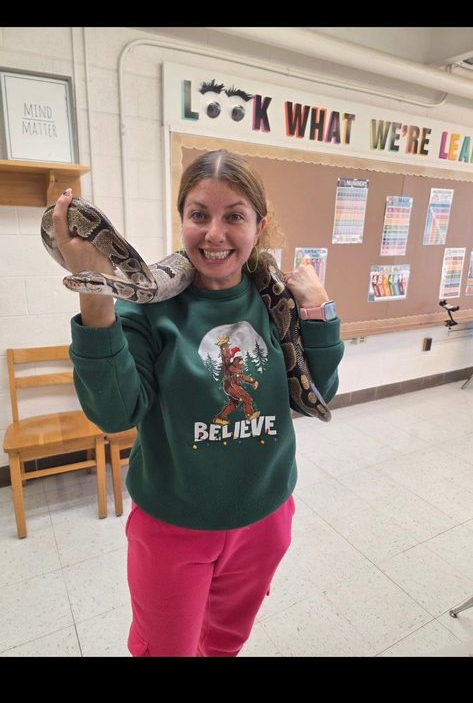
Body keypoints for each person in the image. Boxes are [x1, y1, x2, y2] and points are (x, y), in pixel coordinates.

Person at [52, 150, 344, 657]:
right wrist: (95, 294)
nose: (214, 233)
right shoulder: (147, 308)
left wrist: (320, 310)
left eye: (234, 215)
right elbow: (114, 413)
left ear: (259, 224)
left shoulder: (276, 297)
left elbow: (314, 397)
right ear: (182, 219)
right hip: (173, 526)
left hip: (265, 517)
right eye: (199, 214)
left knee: (226, 643)